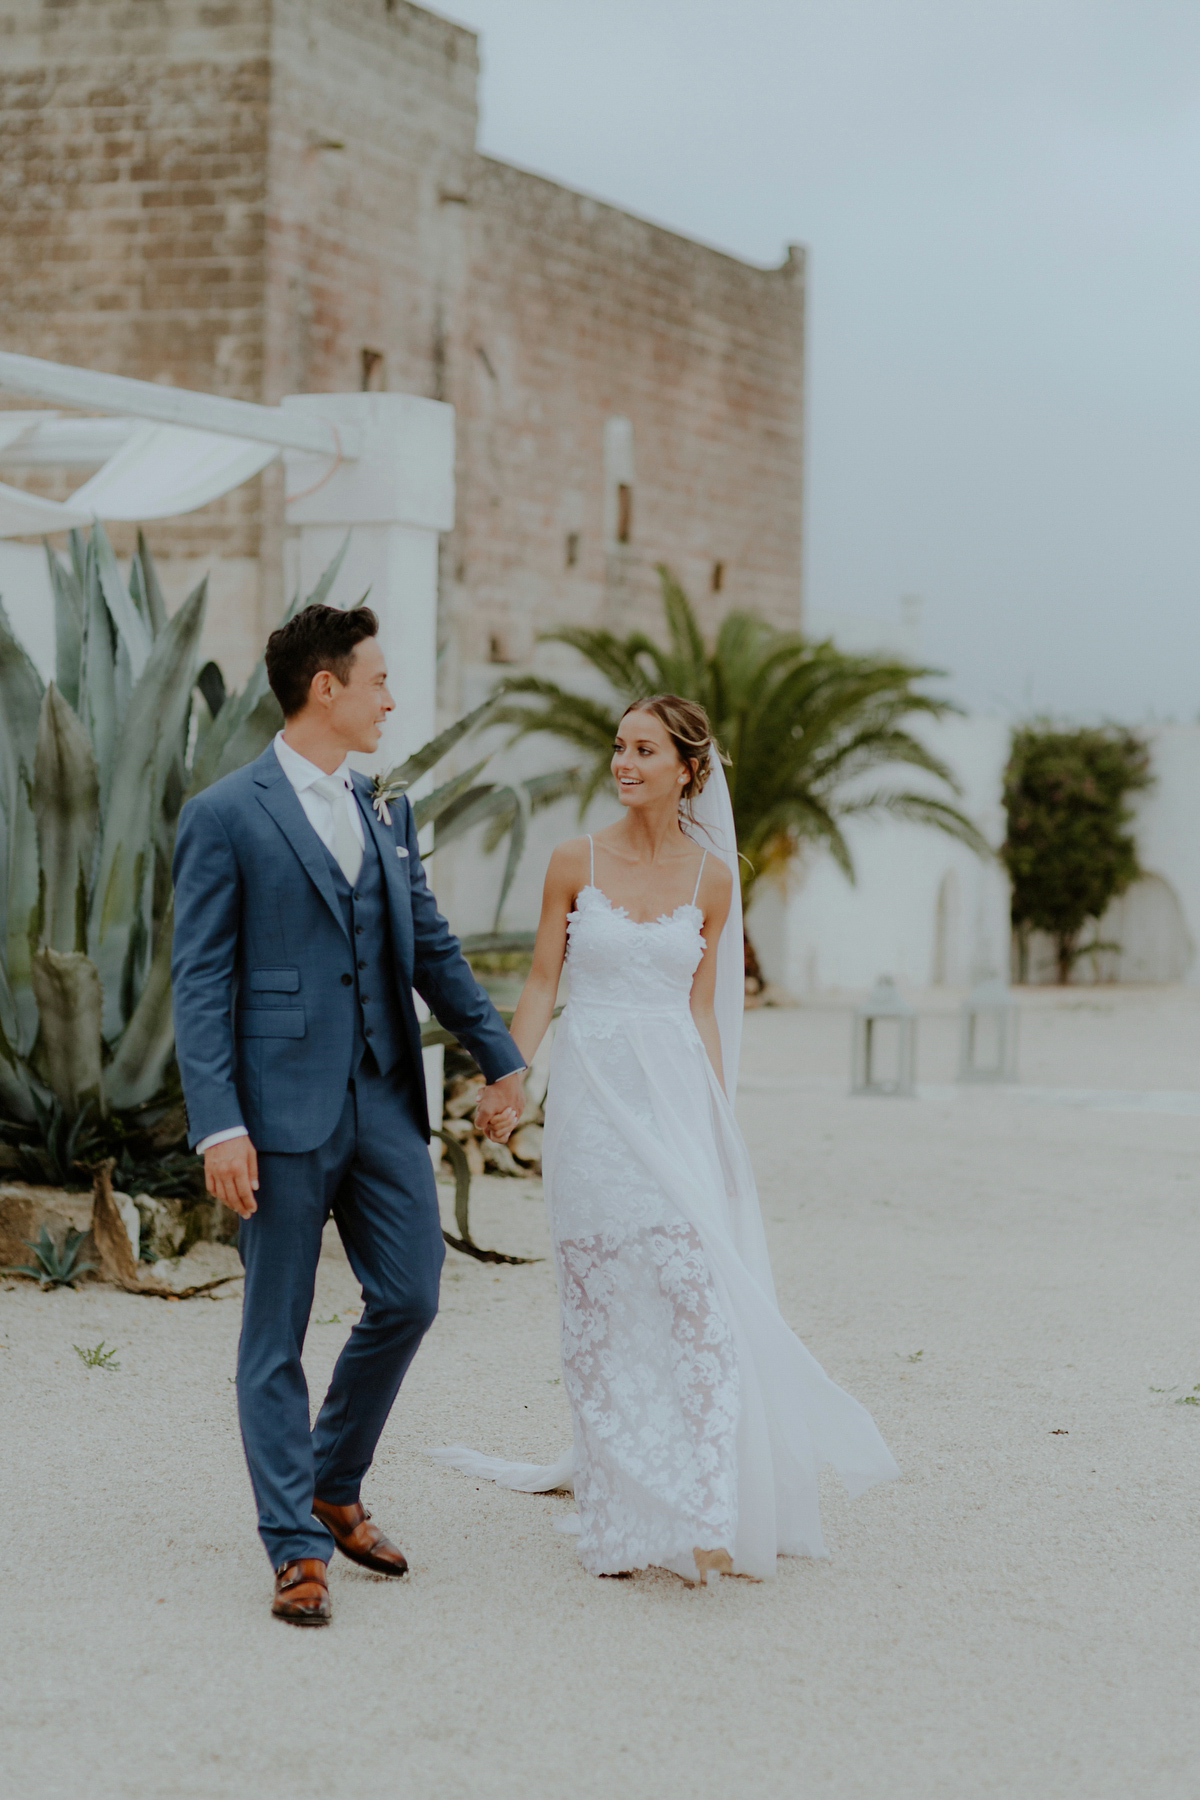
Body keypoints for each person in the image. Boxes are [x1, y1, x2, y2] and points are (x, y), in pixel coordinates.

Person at [432, 695, 898, 1583]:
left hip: (676, 1096)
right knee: (602, 1299)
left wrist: (719, 1122)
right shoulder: (575, 860)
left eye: (643, 749)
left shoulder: (712, 880)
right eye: (618, 747)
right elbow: (540, 982)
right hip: (593, 1098)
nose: (623, 763)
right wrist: (508, 1075)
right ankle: (621, 1511)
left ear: (688, 768)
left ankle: (705, 1501)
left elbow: (705, 1011)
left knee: (694, 1291)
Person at [171, 604, 524, 1626]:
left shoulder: (388, 811)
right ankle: (293, 1545)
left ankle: (331, 1480)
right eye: (376, 680)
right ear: (324, 687)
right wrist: (218, 1124)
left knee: (411, 1292)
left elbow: (432, 947)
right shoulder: (226, 814)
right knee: (273, 1333)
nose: (390, 699)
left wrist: (500, 1058)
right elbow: (201, 982)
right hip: (273, 1114)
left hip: (379, 1096)